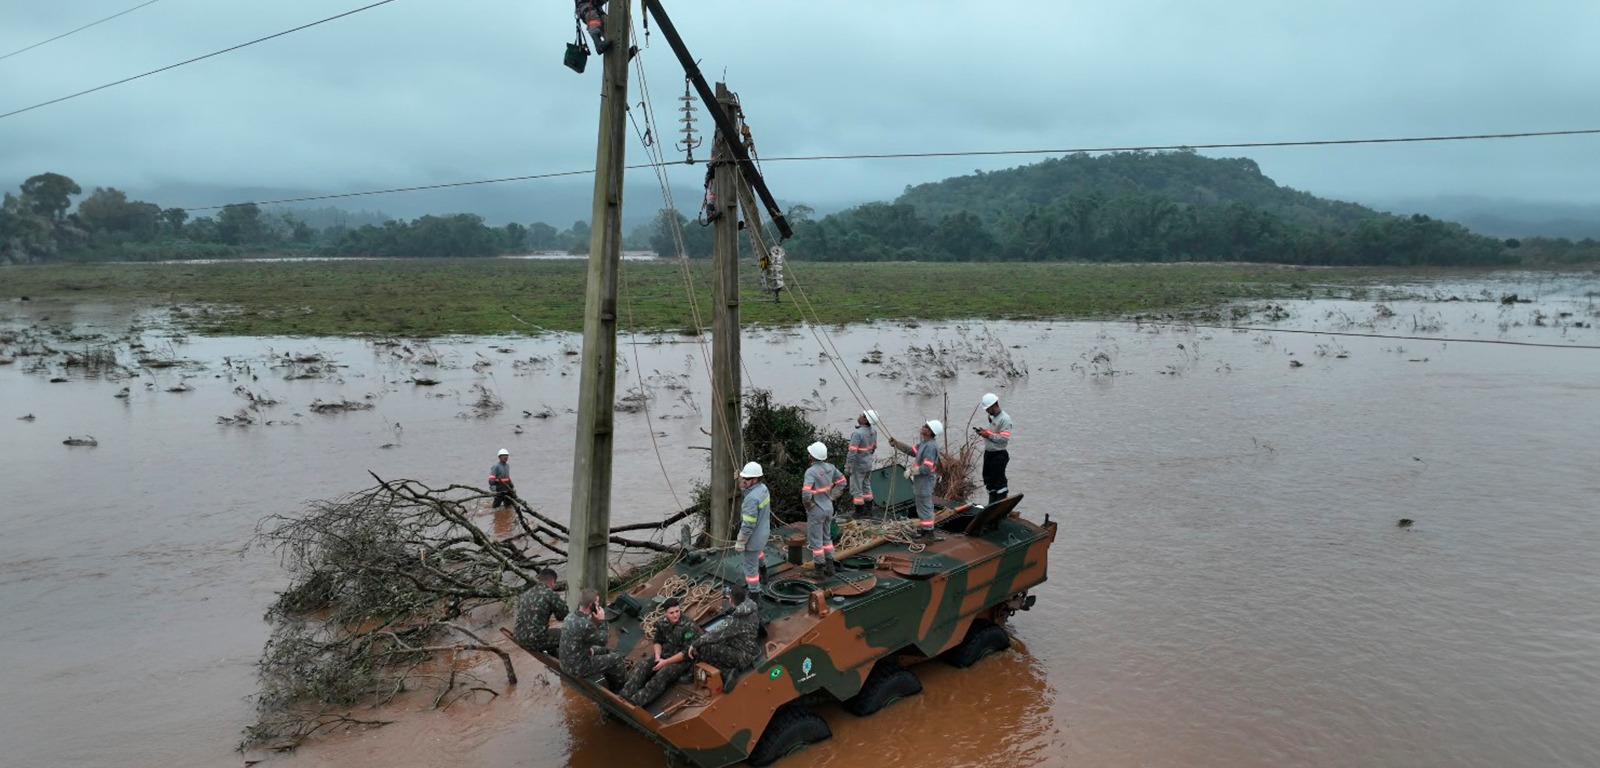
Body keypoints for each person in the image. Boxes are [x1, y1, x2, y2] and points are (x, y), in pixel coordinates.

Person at [618, 597, 700, 707]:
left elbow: (686, 653)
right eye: (671, 613)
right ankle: (624, 694)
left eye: (677, 611)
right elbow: (657, 640)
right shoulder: (662, 622)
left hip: (681, 660)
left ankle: (635, 702)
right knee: (643, 666)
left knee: (662, 675)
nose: (675, 615)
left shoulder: (689, 625)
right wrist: (657, 657)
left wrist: (665, 662)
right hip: (664, 654)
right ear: (665, 613)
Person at [687, 584, 761, 684]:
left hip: (743, 656)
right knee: (718, 643)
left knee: (707, 647)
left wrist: (694, 644)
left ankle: (697, 674)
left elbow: (714, 635)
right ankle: (726, 672)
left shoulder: (735, 621)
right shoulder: (751, 605)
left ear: (730, 600)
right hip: (749, 647)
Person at [559, 588, 624, 690]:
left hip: (565, 663)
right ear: (591, 605)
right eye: (597, 603)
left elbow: (579, 639)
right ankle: (620, 689)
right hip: (576, 668)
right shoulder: (586, 624)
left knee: (606, 651)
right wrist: (602, 620)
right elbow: (603, 640)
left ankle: (608, 673)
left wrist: (588, 650)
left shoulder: (570, 616)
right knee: (617, 659)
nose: (599, 606)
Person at [890, 420, 944, 541]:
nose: (922, 427)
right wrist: (897, 444)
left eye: (925, 426)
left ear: (930, 432)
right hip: (921, 481)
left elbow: (926, 468)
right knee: (921, 505)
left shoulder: (930, 447)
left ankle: (929, 534)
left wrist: (911, 471)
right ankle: (925, 531)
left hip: (925, 481)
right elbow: (911, 451)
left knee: (925, 506)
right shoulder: (925, 443)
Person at [800, 442, 846, 577]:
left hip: (816, 509)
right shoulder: (830, 467)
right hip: (828, 507)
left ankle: (819, 569)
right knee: (827, 538)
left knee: (816, 541)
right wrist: (832, 496)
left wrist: (808, 505)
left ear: (812, 456)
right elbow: (843, 482)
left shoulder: (811, 472)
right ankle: (830, 567)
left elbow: (806, 493)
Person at [735, 462, 772, 597]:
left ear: (755, 479)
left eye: (747, 479)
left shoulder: (751, 499)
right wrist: (741, 482)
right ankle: (764, 572)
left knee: (750, 568)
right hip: (763, 533)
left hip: (753, 538)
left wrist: (741, 541)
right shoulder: (763, 489)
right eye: (743, 478)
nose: (744, 481)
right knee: (759, 553)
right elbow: (750, 492)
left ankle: (755, 594)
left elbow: (748, 525)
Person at [511, 568, 566, 654]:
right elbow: (563, 616)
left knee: (548, 633)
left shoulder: (526, 593)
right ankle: (571, 662)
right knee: (567, 633)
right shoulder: (550, 594)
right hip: (535, 640)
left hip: (519, 637)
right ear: (552, 581)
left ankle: (555, 656)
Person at [975, 393, 1014, 504]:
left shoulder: (1005, 419)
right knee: (988, 479)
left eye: (988, 409)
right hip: (989, 454)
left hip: (999, 454)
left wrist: (987, 435)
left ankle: (1000, 506)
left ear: (994, 406)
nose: (987, 411)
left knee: (999, 481)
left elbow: (1004, 439)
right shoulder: (992, 417)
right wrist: (985, 432)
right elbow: (995, 433)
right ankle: (991, 505)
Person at [847, 410, 879, 518]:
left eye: (862, 415)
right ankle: (868, 510)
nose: (859, 416)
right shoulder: (873, 431)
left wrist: (848, 466)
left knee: (856, 489)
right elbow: (873, 448)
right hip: (868, 463)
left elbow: (852, 452)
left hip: (858, 465)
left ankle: (859, 512)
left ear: (865, 420)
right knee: (866, 486)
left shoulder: (857, 433)